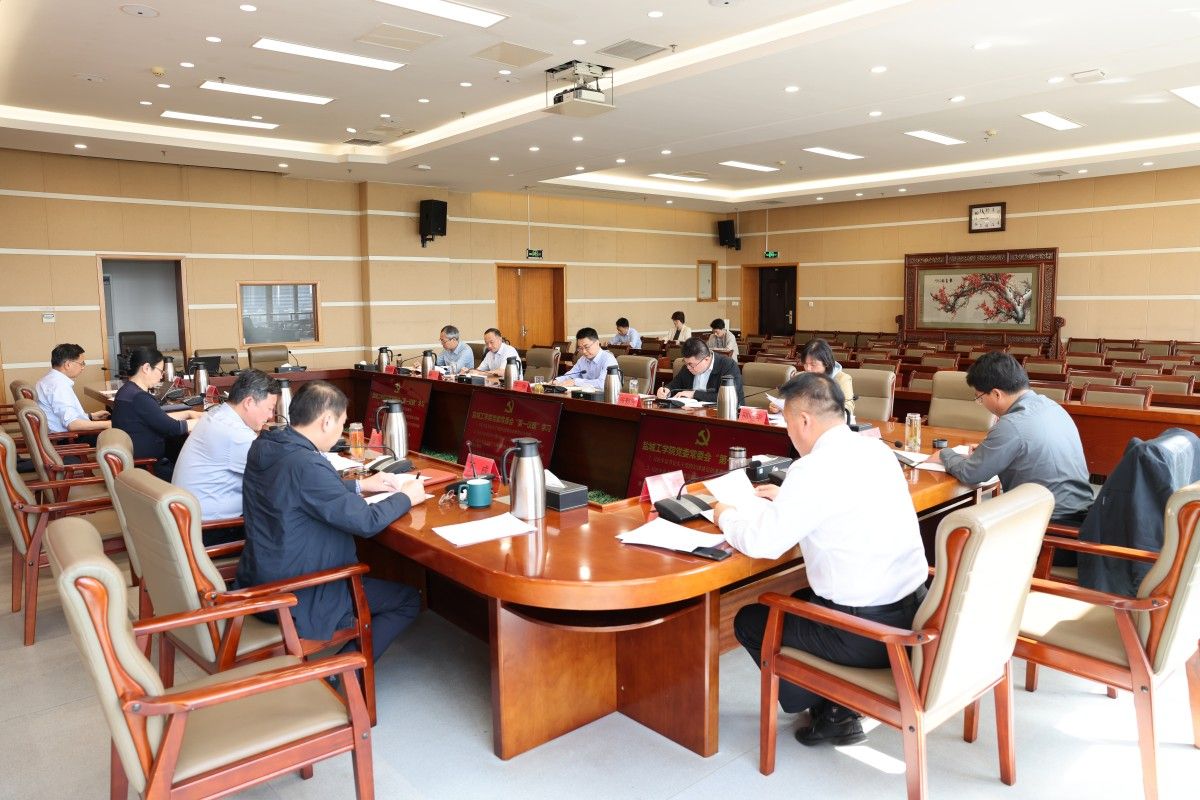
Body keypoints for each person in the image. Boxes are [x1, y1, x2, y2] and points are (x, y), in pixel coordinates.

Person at [713, 373, 928, 746]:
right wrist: (788, 499)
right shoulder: (876, 450)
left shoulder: (811, 469)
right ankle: (836, 703)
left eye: (787, 423)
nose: (789, 433)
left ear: (804, 420)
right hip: (916, 613)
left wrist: (724, 515)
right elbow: (845, 503)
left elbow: (764, 542)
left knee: (750, 619)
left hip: (868, 635)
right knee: (799, 599)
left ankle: (834, 710)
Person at [237, 381, 425, 661]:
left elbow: (297, 491)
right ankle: (345, 673)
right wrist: (407, 497)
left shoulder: (267, 445)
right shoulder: (307, 464)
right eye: (342, 423)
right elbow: (366, 521)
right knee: (409, 599)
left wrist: (361, 485)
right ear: (326, 421)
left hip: (260, 580)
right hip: (298, 593)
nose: (341, 431)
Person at [925, 351, 1092, 527]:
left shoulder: (1012, 424)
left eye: (979, 397)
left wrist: (945, 454)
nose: (981, 403)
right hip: (1080, 514)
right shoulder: (1052, 407)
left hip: (1049, 522)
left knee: (963, 527)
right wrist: (986, 450)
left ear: (996, 394)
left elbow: (971, 474)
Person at [172, 369, 280, 534]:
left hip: (189, 521)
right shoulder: (235, 434)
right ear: (249, 402)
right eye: (270, 408)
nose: (271, 416)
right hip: (211, 530)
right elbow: (279, 474)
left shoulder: (216, 414)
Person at [111, 346, 202, 480]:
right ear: (146, 368)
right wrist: (205, 421)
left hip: (138, 464)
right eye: (160, 370)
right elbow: (173, 428)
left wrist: (188, 413)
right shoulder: (139, 397)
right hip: (147, 470)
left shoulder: (127, 391)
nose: (162, 375)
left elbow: (157, 418)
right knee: (198, 475)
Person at [34, 343, 111, 436]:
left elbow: (62, 415)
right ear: (68, 365)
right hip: (68, 438)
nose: (83, 367)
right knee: (118, 434)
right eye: (81, 364)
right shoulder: (59, 386)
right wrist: (108, 424)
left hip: (62, 434)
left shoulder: (48, 380)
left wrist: (90, 416)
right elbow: (72, 425)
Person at [656, 338, 745, 405]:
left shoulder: (728, 365)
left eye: (691, 364)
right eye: (686, 363)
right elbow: (675, 384)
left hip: (723, 414)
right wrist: (666, 390)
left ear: (706, 359)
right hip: (691, 412)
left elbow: (728, 396)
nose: (688, 368)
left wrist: (694, 394)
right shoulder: (688, 367)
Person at [791, 338, 854, 417]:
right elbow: (790, 398)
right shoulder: (801, 376)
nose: (808, 369)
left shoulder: (842, 379)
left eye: (813, 364)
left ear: (826, 363)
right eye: (805, 364)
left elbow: (848, 408)